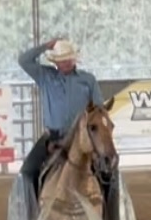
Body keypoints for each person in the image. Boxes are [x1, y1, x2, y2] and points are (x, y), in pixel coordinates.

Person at [16, 34, 115, 209]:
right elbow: (23, 60)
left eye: (68, 59)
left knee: (111, 173)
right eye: (61, 60)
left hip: (82, 138)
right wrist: (46, 46)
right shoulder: (45, 76)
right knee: (27, 173)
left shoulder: (87, 80)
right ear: (55, 62)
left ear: (74, 59)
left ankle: (111, 218)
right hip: (53, 137)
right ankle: (31, 218)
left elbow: (99, 109)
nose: (66, 63)